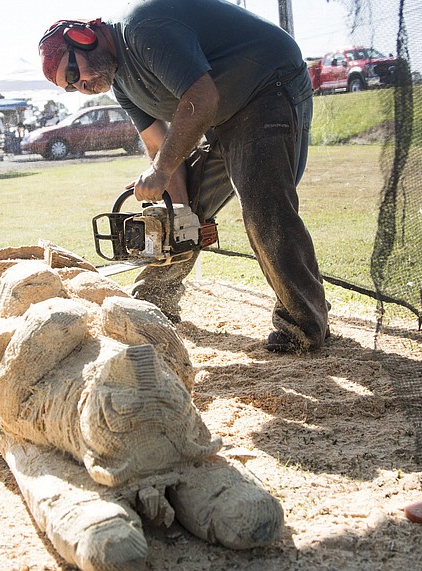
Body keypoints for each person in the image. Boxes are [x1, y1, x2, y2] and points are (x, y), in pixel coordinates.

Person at [38, 0, 329, 353]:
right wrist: (179, 212)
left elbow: (202, 97)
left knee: (264, 206)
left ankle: (304, 323)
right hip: (223, 115)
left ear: (83, 37)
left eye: (72, 74)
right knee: (174, 216)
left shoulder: (142, 29)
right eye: (70, 88)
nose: (80, 86)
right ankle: (155, 302)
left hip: (267, 86)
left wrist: (160, 170)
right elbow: (159, 147)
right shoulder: (122, 85)